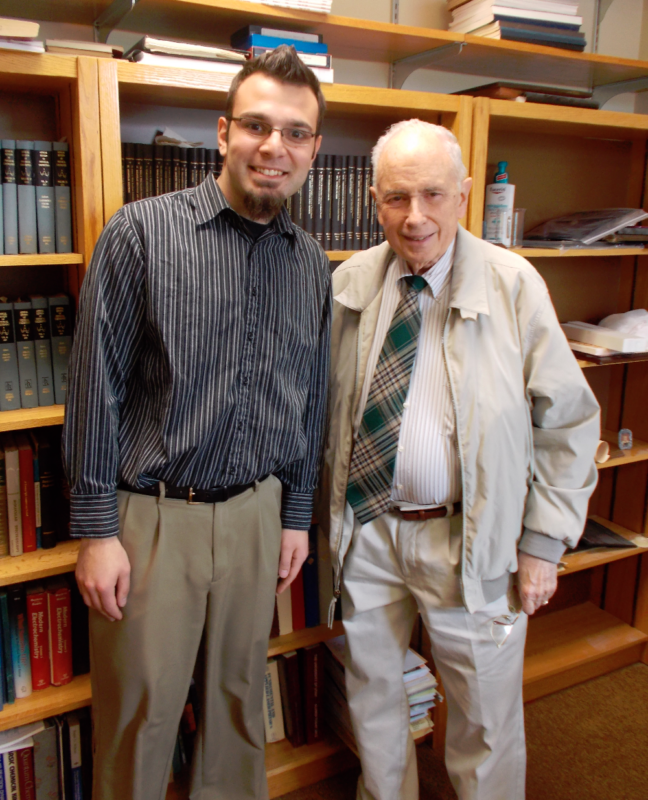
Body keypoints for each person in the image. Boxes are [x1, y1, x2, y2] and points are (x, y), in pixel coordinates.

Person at [62, 46, 331, 800]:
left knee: (239, 709)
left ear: (312, 149)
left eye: (296, 133)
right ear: (222, 132)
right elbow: (95, 389)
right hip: (151, 522)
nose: (274, 147)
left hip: (257, 516)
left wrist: (296, 516)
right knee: (139, 719)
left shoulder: (312, 263)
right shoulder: (140, 234)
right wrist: (96, 531)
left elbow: (311, 400)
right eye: (256, 125)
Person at [317, 119, 599, 800]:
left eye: (434, 195)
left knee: (484, 718)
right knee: (374, 700)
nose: (416, 218)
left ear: (465, 195)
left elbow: (569, 422)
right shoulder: (350, 282)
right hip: (370, 531)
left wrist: (541, 544)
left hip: (471, 540)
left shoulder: (514, 285)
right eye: (396, 198)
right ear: (374, 200)